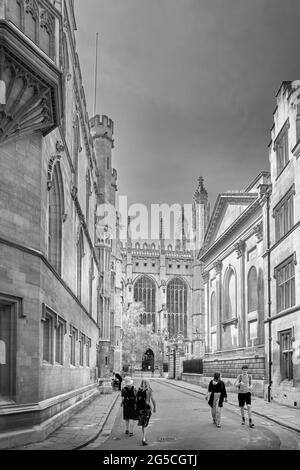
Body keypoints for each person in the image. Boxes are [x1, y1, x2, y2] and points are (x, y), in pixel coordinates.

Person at [136, 379, 156, 445]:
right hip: (147, 409)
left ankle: (144, 437)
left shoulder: (139, 390)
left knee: (143, 424)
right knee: (145, 424)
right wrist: (154, 407)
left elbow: (137, 400)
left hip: (140, 409)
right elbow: (153, 400)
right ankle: (144, 438)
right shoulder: (149, 390)